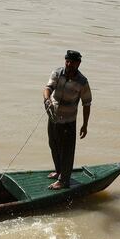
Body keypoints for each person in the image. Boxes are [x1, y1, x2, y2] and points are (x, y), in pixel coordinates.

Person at [43, 50, 92, 190]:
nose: (69, 64)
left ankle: (64, 181)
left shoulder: (82, 82)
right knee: (53, 145)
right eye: (67, 61)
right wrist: (47, 100)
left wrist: (85, 125)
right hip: (53, 117)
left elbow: (87, 103)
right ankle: (59, 172)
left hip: (68, 121)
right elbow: (47, 88)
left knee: (67, 151)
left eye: (72, 62)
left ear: (78, 63)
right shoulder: (57, 73)